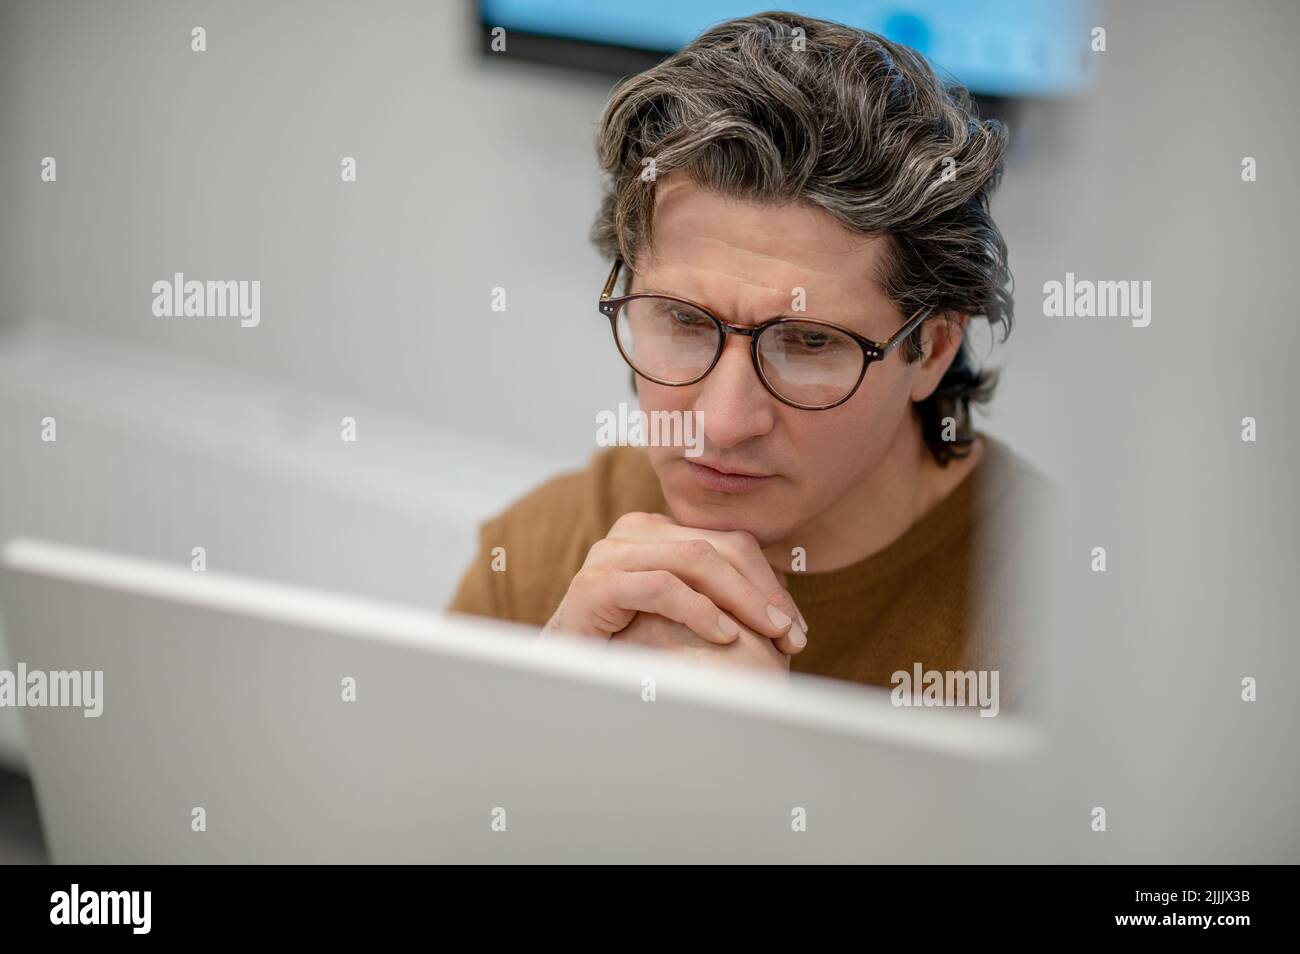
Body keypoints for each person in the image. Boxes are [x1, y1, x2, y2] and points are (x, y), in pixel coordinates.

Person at [450, 12, 1047, 710]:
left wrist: (760, 755)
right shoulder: (542, 558)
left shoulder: (1065, 621)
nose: (724, 424)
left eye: (809, 342)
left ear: (933, 349)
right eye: (682, 320)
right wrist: (542, 707)